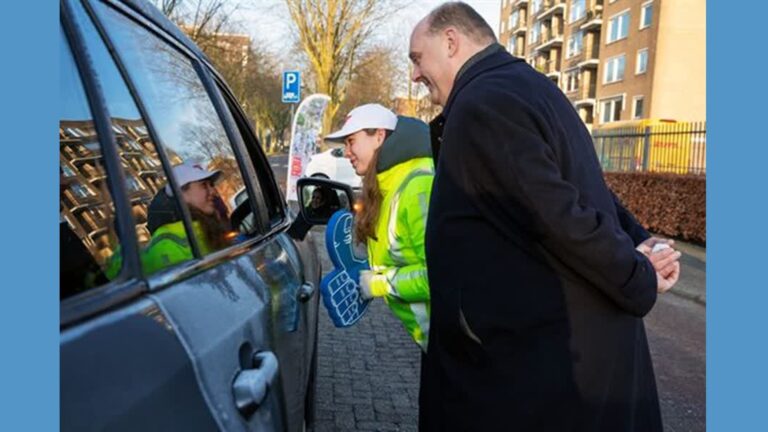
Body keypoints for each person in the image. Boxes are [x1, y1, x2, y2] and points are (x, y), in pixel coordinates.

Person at [408, 3, 681, 431]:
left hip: (533, 377)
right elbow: (582, 187)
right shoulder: (531, 88)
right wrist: (638, 240)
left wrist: (637, 273)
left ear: (450, 41)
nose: (414, 75)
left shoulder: (485, 104)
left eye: (417, 58)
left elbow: (556, 215)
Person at [325, 103, 434, 352]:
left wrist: (376, 284)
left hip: (455, 344)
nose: (347, 152)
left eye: (351, 141)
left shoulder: (417, 187)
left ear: (379, 136)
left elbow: (439, 275)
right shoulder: (389, 185)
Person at [106, 162, 232, 278]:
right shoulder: (169, 246)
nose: (213, 192)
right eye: (204, 185)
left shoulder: (206, 227)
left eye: (211, 185)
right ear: (180, 194)